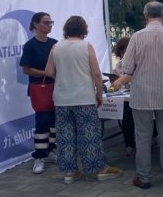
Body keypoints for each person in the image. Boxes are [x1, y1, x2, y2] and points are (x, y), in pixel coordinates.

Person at [112, 1, 163, 189]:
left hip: (141, 93)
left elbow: (126, 67)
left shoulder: (137, 37)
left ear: (146, 16)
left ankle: (144, 177)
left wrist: (120, 72)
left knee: (143, 136)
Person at [44, 16, 122, 184]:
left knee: (65, 136)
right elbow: (96, 73)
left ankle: (70, 173)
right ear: (83, 30)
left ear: (66, 29)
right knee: (89, 135)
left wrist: (63, 75)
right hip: (84, 98)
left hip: (62, 98)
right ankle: (99, 169)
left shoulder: (56, 47)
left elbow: (49, 71)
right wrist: (99, 93)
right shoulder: (86, 46)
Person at [19, 12, 58, 174]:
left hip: (57, 87)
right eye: (46, 22)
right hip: (40, 89)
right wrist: (46, 73)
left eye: (51, 22)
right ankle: (39, 156)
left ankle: (51, 151)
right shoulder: (30, 46)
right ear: (36, 25)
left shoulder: (55, 43)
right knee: (42, 123)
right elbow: (26, 69)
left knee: (55, 123)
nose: (49, 25)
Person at [112, 37, 136, 158]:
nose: (124, 54)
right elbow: (115, 81)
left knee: (130, 112)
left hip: (138, 96)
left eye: (127, 51)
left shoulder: (137, 63)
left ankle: (133, 143)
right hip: (125, 97)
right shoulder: (118, 66)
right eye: (122, 52)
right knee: (126, 112)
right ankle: (129, 144)